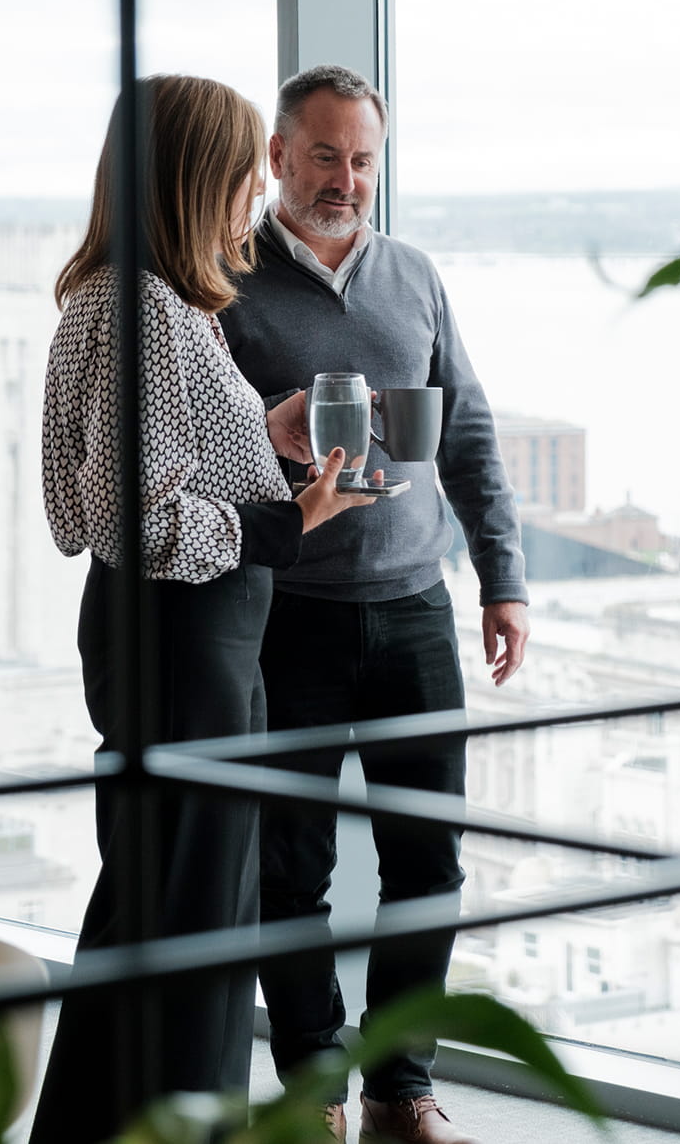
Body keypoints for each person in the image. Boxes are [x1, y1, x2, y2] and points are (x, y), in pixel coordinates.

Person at [28, 73, 375, 1144]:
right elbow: (130, 519)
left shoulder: (118, 300)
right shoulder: (146, 312)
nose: (250, 197)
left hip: (166, 639)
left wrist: (254, 440)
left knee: (153, 909)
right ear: (193, 179)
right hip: (187, 638)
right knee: (194, 927)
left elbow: (74, 495)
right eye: (239, 173)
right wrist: (291, 520)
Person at [220, 64, 531, 1144]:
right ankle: (315, 1092)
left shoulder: (413, 275)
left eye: (361, 160)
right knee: (289, 867)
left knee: (426, 861)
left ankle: (402, 1089)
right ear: (275, 158)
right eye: (323, 156)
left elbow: (472, 436)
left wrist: (503, 578)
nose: (345, 179)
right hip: (286, 614)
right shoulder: (227, 279)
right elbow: (201, 448)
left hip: (412, 611)